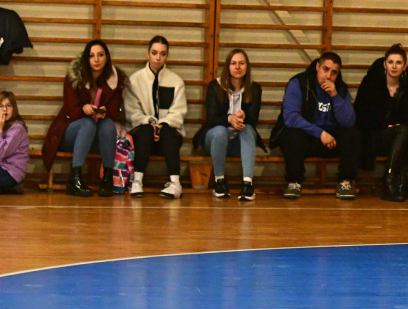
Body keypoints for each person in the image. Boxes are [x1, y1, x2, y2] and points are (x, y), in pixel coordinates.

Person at [42, 39, 127, 197]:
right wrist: (84, 109)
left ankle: (108, 179)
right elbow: (70, 108)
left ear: (106, 58)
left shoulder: (116, 79)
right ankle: (74, 178)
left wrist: (105, 111)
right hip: (71, 132)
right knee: (88, 125)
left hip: (98, 136)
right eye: (92, 56)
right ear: (86, 59)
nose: (96, 60)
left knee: (108, 124)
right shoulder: (74, 78)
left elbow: (116, 109)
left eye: (100, 55)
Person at [270, 51, 360, 200]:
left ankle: (345, 182)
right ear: (317, 66)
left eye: (334, 72)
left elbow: (349, 121)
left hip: (331, 139)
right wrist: (319, 133)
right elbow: (291, 118)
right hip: (308, 136)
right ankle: (294, 182)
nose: (328, 76)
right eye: (325, 69)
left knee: (353, 134)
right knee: (292, 135)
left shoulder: (340, 88)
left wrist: (335, 96)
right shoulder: (299, 83)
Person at [354, 44, 408, 203]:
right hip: (373, 135)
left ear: (404, 66)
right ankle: (389, 182)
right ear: (385, 64)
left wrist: (396, 124)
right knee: (405, 130)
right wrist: (387, 124)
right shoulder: (371, 83)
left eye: (398, 63)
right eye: (390, 62)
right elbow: (361, 115)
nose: (394, 66)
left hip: (400, 134)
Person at [192, 49, 267, 202]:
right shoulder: (215, 86)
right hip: (215, 140)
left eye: (241, 63)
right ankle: (219, 181)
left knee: (247, 129)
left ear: (247, 67)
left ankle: (247, 184)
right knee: (220, 131)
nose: (237, 67)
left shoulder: (254, 88)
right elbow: (211, 119)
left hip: (239, 143)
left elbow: (254, 120)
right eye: (233, 63)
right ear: (227, 67)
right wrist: (229, 118)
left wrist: (243, 117)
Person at [124, 35, 188, 199]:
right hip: (143, 132)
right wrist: (150, 122)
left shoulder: (176, 81)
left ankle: (175, 183)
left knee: (167, 131)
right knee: (145, 131)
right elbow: (132, 111)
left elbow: (178, 111)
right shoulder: (135, 80)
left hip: (168, 135)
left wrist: (163, 124)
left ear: (167, 55)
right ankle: (137, 181)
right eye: (154, 53)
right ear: (148, 54)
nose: (158, 57)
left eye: (162, 54)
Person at [0, 91, 29, 194]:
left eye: (8, 106)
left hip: (11, 171)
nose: (4, 109)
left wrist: (0, 129)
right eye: (1, 106)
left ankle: (13, 187)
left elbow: (1, 153)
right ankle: (11, 189)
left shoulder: (17, 128)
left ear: (14, 108)